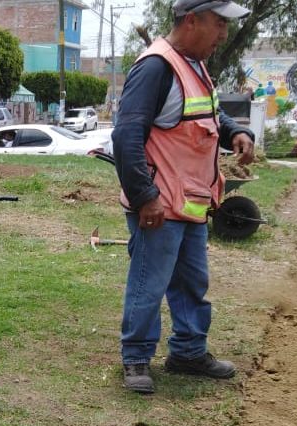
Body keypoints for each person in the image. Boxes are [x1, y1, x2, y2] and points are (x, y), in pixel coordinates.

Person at [110, 0, 255, 394]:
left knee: (192, 283)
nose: (224, 34)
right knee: (149, 283)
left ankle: (188, 352)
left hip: (189, 202)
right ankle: (137, 357)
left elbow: (208, 114)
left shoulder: (193, 65)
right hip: (159, 205)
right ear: (192, 20)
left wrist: (235, 132)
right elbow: (126, 136)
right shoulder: (156, 66)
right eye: (220, 24)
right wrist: (145, 197)